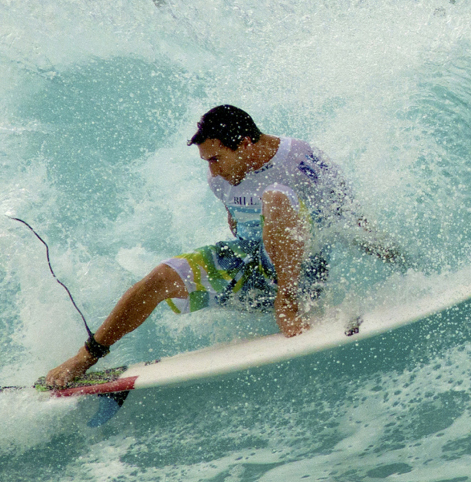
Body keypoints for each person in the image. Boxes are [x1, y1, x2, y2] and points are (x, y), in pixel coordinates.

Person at [46, 105, 404, 388]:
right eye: (207, 162)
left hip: (303, 276)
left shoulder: (301, 160)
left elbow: (353, 223)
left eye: (216, 159)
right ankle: (85, 357)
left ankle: (288, 302)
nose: (212, 172)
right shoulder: (220, 175)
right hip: (254, 269)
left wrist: (402, 262)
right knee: (160, 278)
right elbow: (236, 222)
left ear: (246, 143)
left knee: (276, 198)